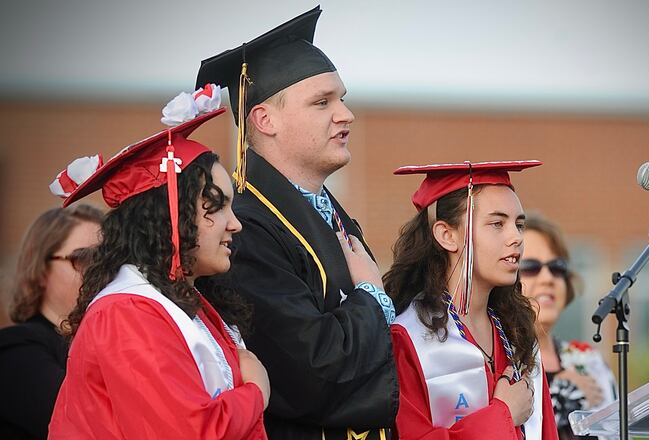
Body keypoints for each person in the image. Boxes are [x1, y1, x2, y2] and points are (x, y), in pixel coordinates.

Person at [194, 7, 397, 439]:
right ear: (264, 120)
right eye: (322, 102)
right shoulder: (243, 228)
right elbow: (310, 371)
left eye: (342, 99)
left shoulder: (329, 213)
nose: (346, 115)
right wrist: (371, 297)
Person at [48, 86, 269, 439]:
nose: (235, 223)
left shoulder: (185, 306)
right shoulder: (126, 313)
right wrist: (255, 391)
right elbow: (189, 432)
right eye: (216, 206)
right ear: (171, 216)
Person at [383, 161, 559, 440]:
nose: (516, 237)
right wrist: (502, 415)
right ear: (447, 235)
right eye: (497, 223)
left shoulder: (518, 335)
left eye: (519, 224)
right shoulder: (408, 338)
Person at [0, 204, 102, 439]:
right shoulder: (14, 351)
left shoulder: (104, 344)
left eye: (106, 259)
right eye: (83, 258)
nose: (99, 271)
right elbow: (88, 425)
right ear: (41, 270)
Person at [519, 213, 617, 440]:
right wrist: (562, 392)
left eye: (557, 267)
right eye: (531, 266)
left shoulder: (590, 362)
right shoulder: (492, 361)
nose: (547, 278)